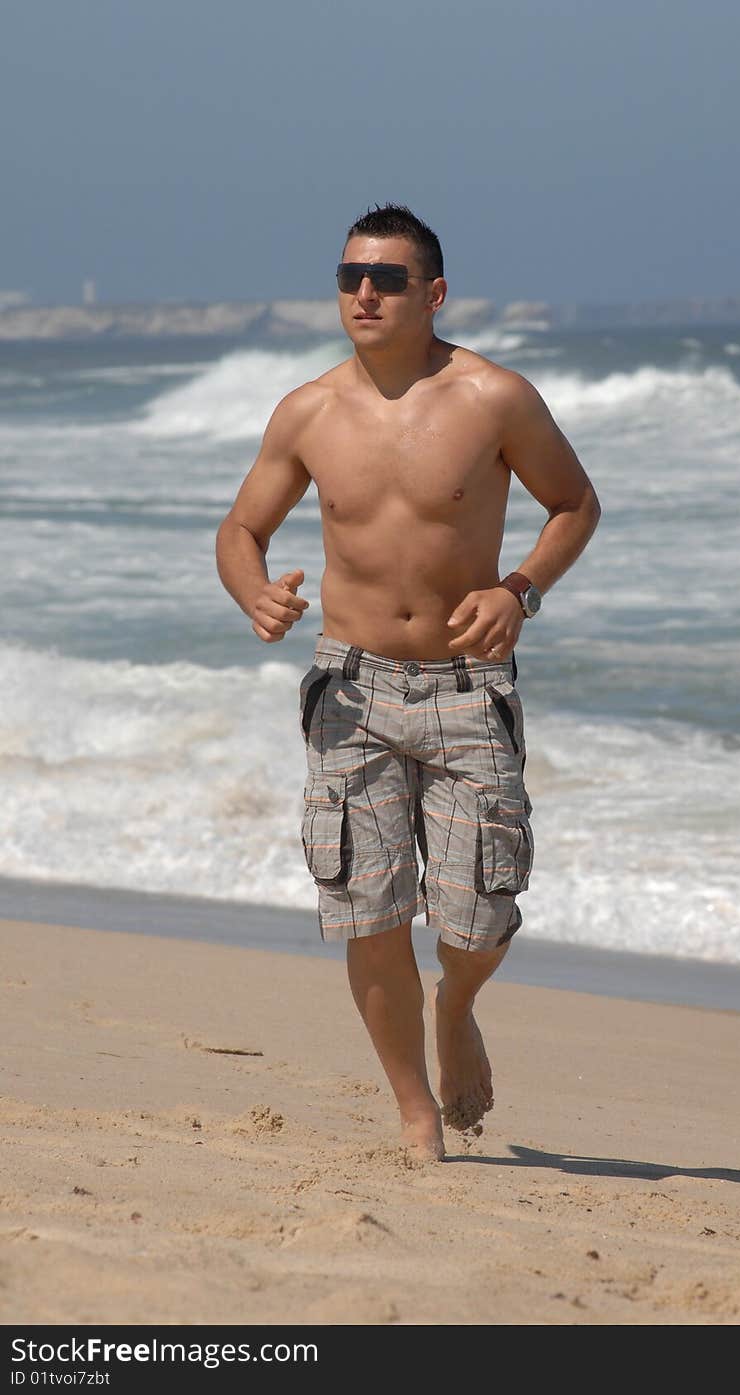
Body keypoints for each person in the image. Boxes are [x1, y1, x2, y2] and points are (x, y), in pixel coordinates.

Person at [216, 204, 600, 1161]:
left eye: (387, 278)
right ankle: (416, 1116)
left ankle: (458, 1003)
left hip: (468, 685)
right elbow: (240, 531)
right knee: (370, 906)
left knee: (477, 917)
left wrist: (521, 591)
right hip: (350, 688)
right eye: (350, 275)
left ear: (433, 293)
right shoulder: (308, 411)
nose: (364, 293)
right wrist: (253, 592)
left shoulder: (494, 398)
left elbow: (574, 503)